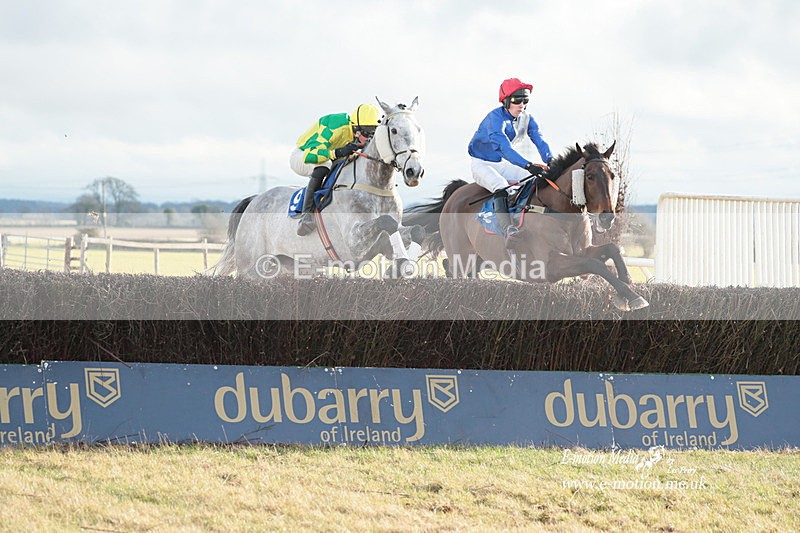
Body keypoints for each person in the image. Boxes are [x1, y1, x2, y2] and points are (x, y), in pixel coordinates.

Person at [468, 77, 554, 247]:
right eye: (516, 100)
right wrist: (529, 165)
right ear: (506, 101)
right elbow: (505, 148)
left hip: (501, 163)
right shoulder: (494, 119)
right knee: (500, 185)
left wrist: (550, 159)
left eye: (525, 100)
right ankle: (508, 230)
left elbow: (539, 140)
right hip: (481, 163)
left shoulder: (527, 118)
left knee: (533, 179)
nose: (521, 105)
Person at [289, 103, 382, 235]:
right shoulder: (335, 125)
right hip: (302, 155)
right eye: (367, 133)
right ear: (356, 128)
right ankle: (306, 215)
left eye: (373, 133)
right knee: (324, 163)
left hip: (325, 156)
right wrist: (337, 153)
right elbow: (312, 155)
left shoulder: (355, 132)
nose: (369, 138)